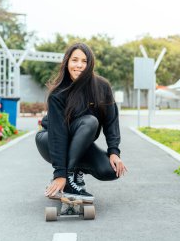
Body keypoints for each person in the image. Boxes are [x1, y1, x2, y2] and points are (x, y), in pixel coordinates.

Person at [35, 43, 127, 200]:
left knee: (110, 170)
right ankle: (69, 177)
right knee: (90, 121)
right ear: (67, 62)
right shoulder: (58, 93)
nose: (79, 65)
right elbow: (58, 134)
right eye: (75, 60)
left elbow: (111, 121)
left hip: (80, 143)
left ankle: (74, 171)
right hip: (49, 140)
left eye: (84, 61)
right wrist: (60, 174)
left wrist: (114, 152)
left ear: (90, 64)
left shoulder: (102, 86)